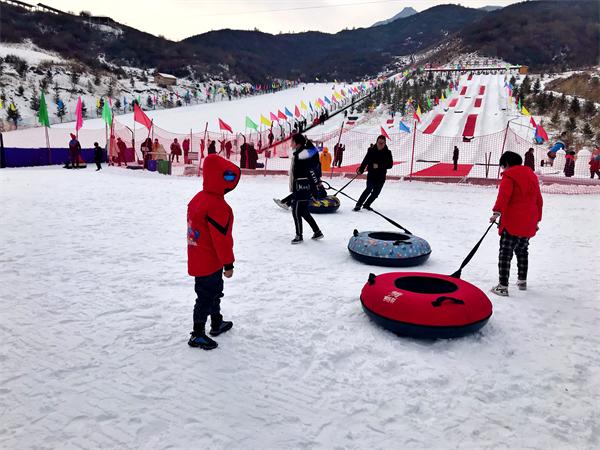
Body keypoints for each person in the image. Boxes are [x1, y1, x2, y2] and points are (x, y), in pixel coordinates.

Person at [187, 154, 241, 350]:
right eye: (227, 178)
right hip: (210, 261)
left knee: (214, 292)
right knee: (205, 296)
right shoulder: (218, 206)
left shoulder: (198, 199)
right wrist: (229, 264)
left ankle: (216, 321)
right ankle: (197, 334)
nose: (230, 183)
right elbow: (222, 240)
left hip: (198, 258)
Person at [489, 151, 543, 297]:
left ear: (506, 163)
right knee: (522, 251)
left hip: (512, 221)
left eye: (503, 166)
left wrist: (497, 212)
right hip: (528, 221)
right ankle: (522, 281)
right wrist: (537, 219)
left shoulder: (509, 176)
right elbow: (539, 199)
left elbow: (504, 196)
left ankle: (502, 286)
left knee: (505, 253)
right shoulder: (532, 176)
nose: (503, 169)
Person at [289, 133, 323, 244]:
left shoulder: (302, 154)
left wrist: (316, 183)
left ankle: (299, 236)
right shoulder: (299, 153)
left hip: (301, 188)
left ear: (297, 143)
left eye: (292, 141)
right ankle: (317, 232)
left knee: (296, 211)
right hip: (300, 187)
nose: (290, 143)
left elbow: (311, 170)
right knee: (303, 211)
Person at [354, 135, 393, 211]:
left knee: (376, 193)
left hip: (381, 176)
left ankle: (367, 205)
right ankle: (358, 205)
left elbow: (390, 165)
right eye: (379, 142)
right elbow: (365, 161)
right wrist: (361, 170)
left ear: (385, 143)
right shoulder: (371, 150)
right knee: (369, 189)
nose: (380, 144)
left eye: (382, 143)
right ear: (376, 142)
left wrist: (379, 166)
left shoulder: (388, 152)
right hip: (371, 174)